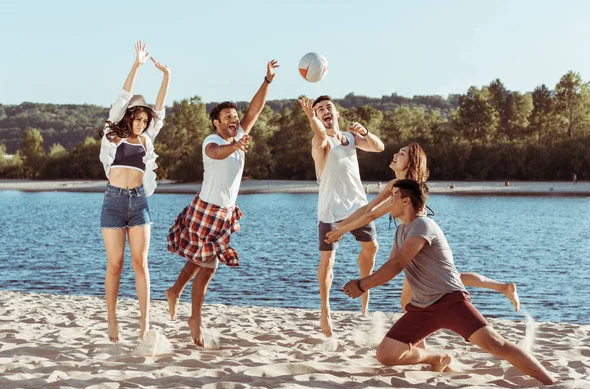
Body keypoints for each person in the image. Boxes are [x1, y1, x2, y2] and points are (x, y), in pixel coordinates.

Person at [343, 179, 555, 385]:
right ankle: (437, 358)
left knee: (497, 345)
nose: (390, 202)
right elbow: (390, 266)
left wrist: (362, 285)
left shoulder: (423, 225)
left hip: (450, 302)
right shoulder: (401, 231)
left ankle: (551, 383)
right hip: (422, 307)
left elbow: (397, 264)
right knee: (386, 354)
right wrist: (365, 282)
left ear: (406, 201)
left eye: (394, 197)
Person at [326, 143, 520, 320]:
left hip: (419, 239)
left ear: (411, 163)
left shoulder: (409, 189)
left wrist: (340, 231)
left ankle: (418, 345)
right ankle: (503, 287)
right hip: (406, 235)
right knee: (440, 284)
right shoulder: (394, 184)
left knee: (417, 297)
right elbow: (366, 210)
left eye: (402, 154)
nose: (395, 154)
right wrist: (341, 227)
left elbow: (372, 216)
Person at [165, 60, 279, 346]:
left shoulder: (239, 134)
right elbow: (217, 154)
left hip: (224, 213)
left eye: (235, 115)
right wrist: (235, 147)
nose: (234, 118)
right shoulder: (211, 140)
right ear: (216, 122)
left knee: (201, 259)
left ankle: (175, 291)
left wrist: (267, 81)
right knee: (209, 265)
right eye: (228, 115)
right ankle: (195, 320)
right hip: (205, 210)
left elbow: (255, 109)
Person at [99, 41, 171, 342]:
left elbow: (160, 109)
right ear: (128, 116)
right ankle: (113, 322)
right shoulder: (112, 133)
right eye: (137, 118)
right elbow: (123, 95)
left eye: (144, 119)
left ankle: (143, 324)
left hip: (139, 204)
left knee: (140, 264)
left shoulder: (147, 139)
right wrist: (137, 66)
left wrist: (166, 76)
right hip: (113, 202)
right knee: (114, 265)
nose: (142, 122)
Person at [298, 96, 385, 337]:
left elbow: (379, 147)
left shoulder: (349, 138)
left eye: (328, 108)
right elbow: (318, 130)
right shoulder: (321, 142)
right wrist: (311, 117)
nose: (325, 111)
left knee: (372, 248)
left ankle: (364, 299)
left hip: (358, 208)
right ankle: (325, 311)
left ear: (337, 113)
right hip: (330, 211)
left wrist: (365, 132)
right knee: (328, 261)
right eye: (319, 110)